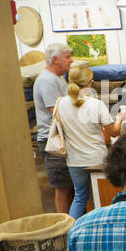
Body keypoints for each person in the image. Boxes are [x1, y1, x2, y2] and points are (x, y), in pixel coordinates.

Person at [55, 61, 126, 219]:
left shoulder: (60, 104)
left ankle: (71, 233)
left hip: (74, 159)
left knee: (80, 197)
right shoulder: (96, 104)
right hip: (96, 159)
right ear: (88, 83)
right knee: (100, 197)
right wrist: (120, 119)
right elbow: (113, 132)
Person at [34, 43, 75, 214]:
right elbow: (57, 113)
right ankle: (65, 228)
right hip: (53, 141)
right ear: (55, 59)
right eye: (67, 57)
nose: (71, 60)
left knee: (71, 185)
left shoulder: (58, 78)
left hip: (63, 138)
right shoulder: (47, 81)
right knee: (63, 186)